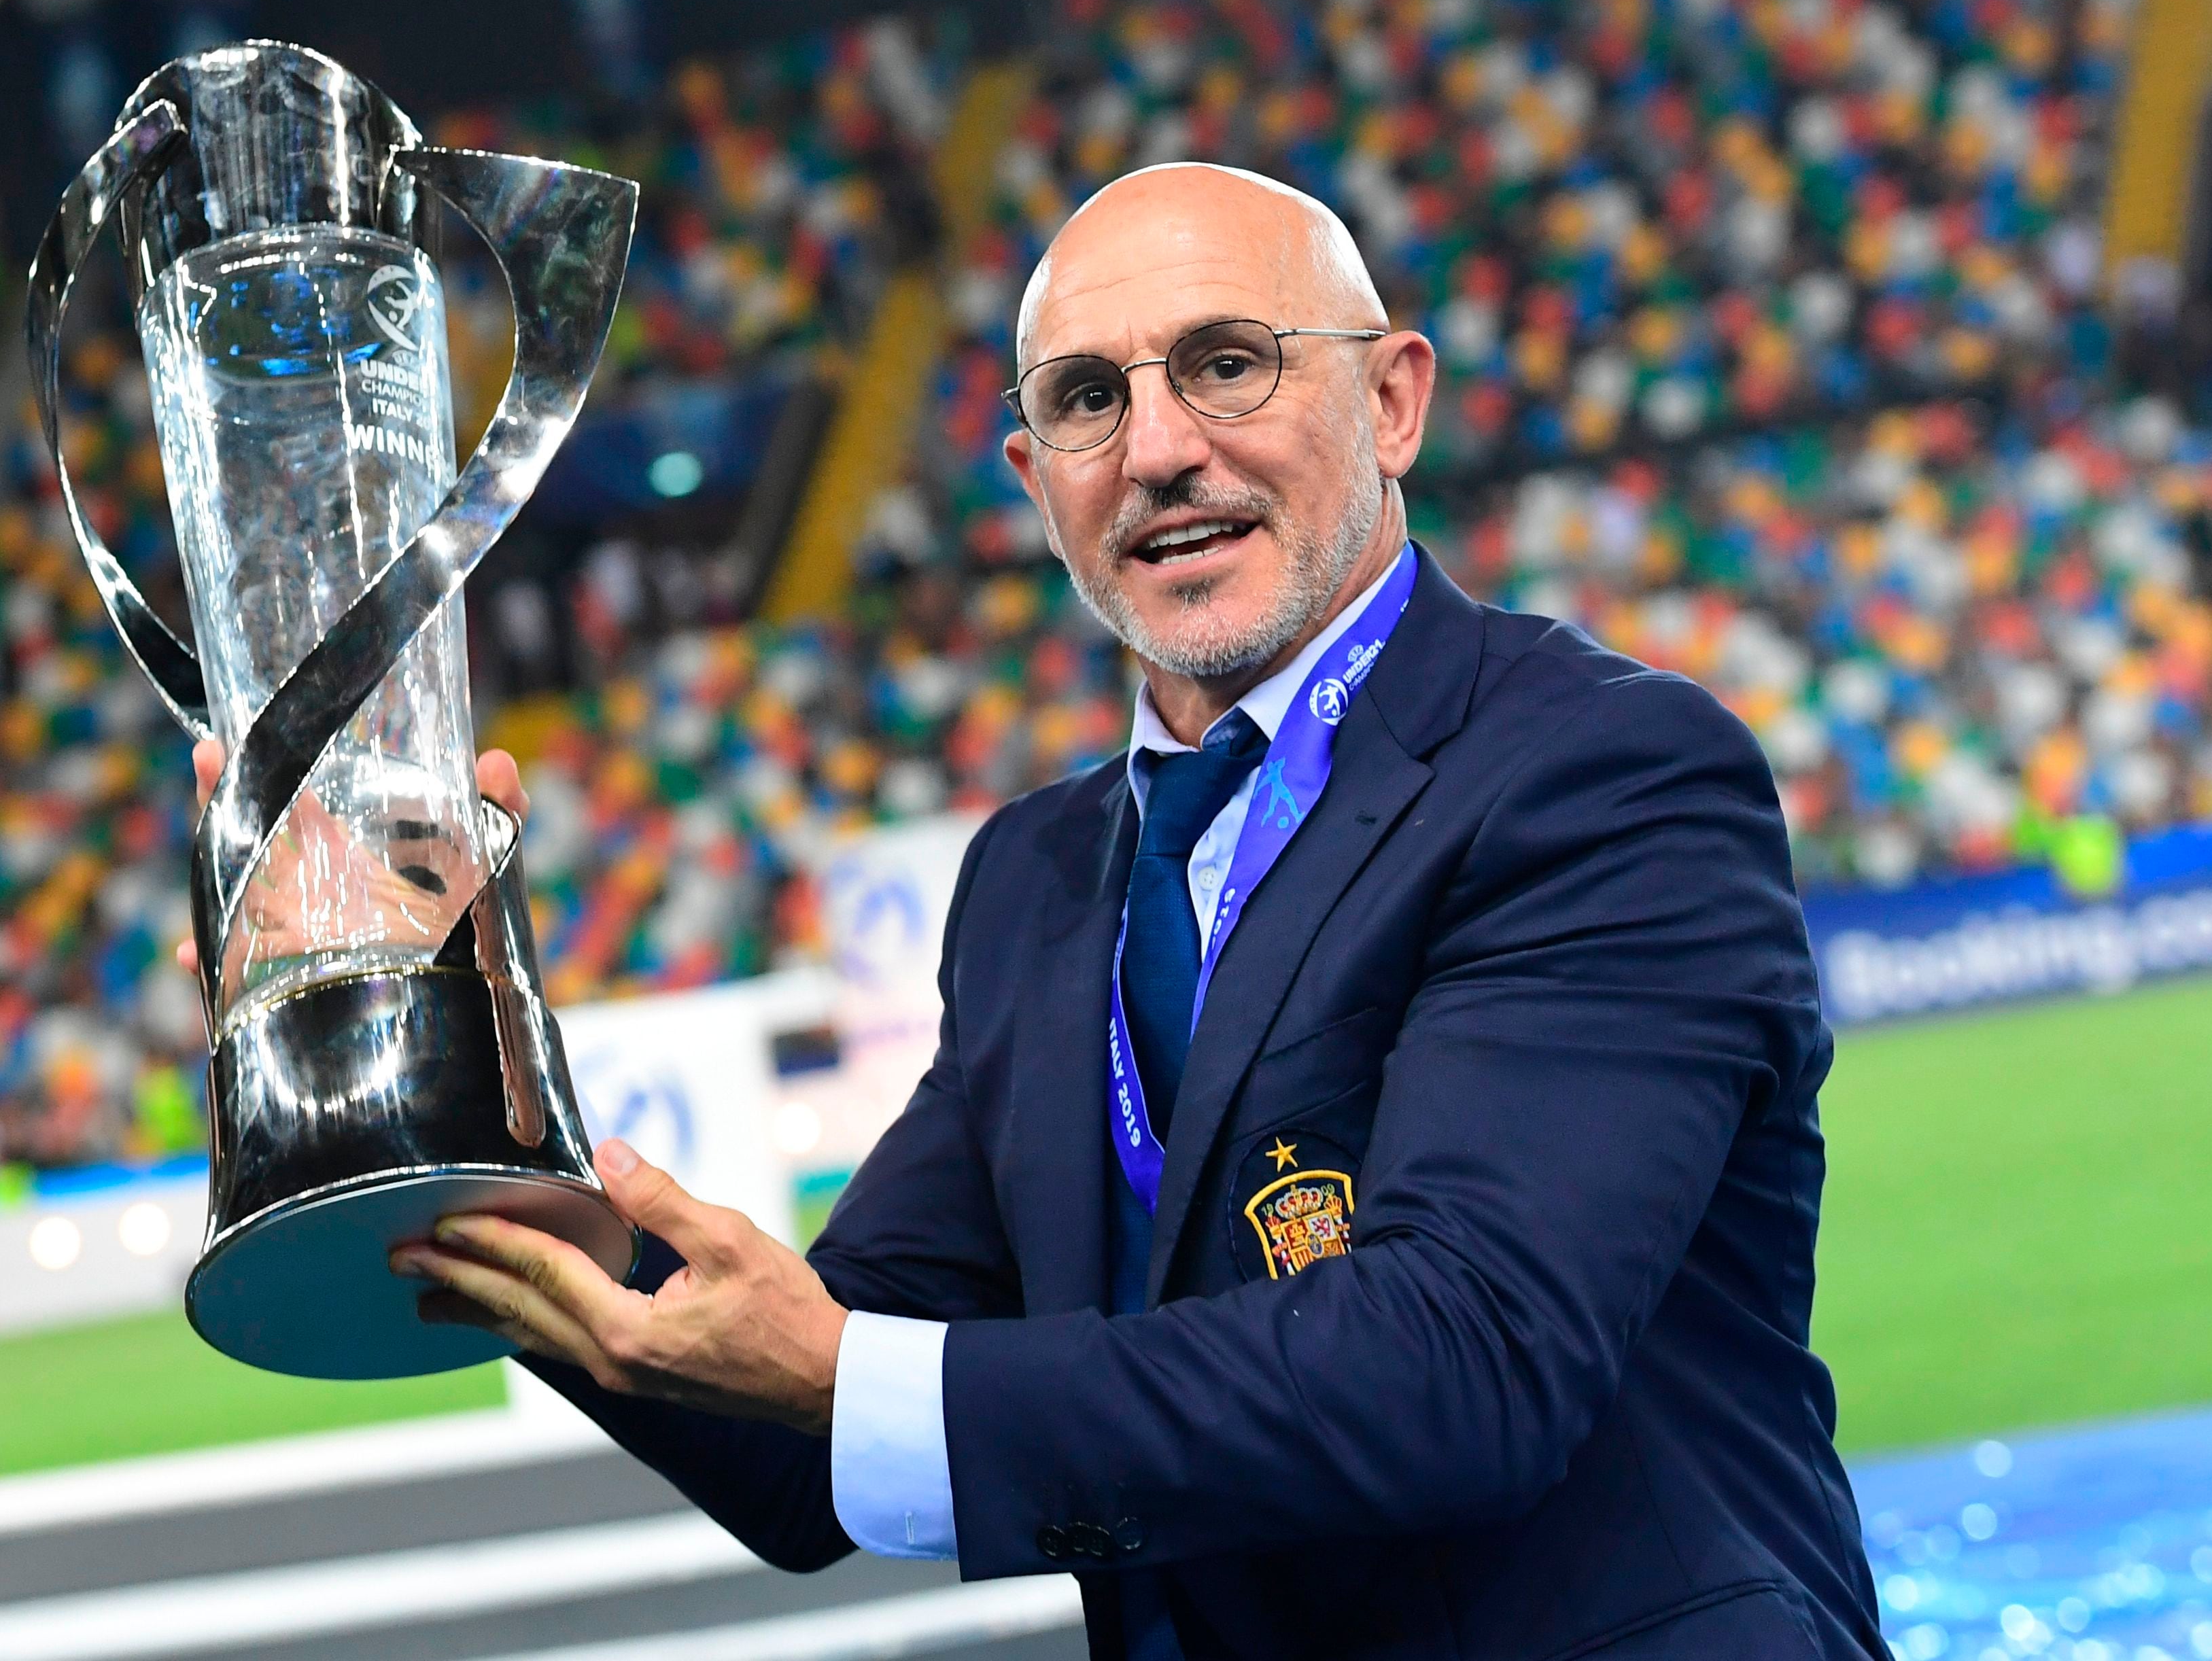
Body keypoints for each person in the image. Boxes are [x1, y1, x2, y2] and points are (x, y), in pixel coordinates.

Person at [284, 163, 1882, 1658]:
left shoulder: (1596, 768)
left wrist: (851, 1377)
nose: (1161, 445)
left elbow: (1463, 1363)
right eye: (1088, 399)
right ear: (1033, 476)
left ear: (1392, 400)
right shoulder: (1032, 884)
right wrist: (462, 1081)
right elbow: (809, 1429)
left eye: (1226, 362)